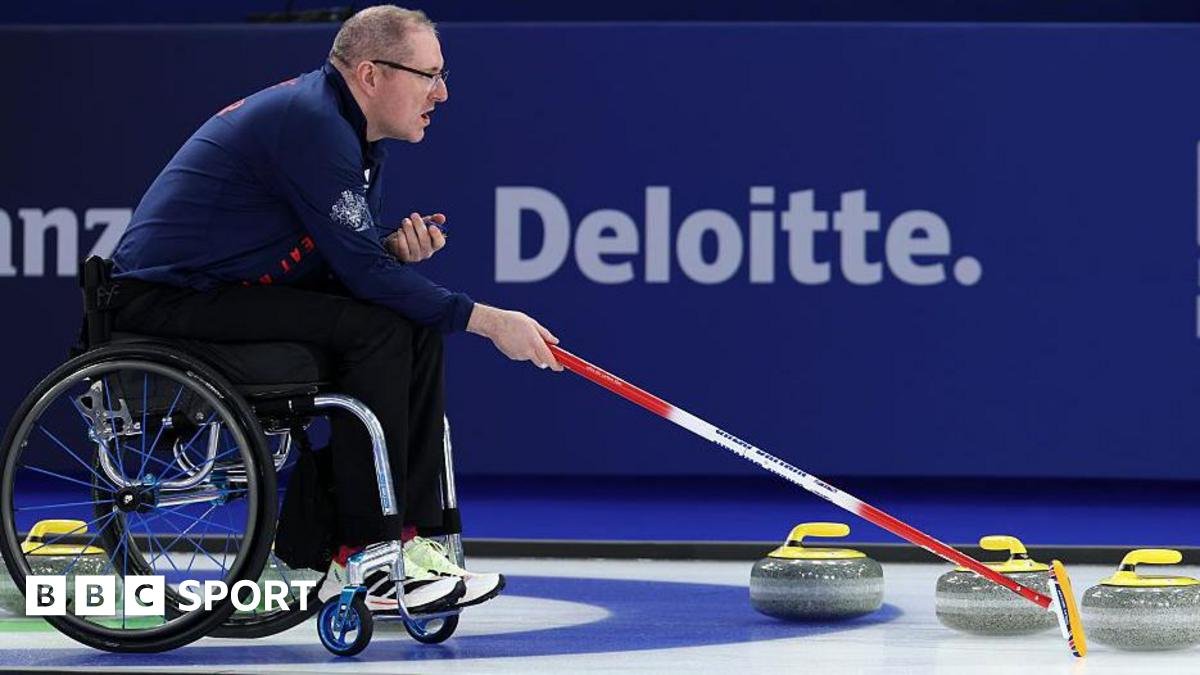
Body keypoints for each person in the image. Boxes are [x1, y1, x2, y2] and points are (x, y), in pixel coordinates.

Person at [108, 5, 562, 614]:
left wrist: (391, 251)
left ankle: (416, 542)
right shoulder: (314, 124)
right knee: (377, 330)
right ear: (371, 74)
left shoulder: (351, 132)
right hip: (166, 299)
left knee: (411, 326)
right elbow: (362, 278)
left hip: (226, 291)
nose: (443, 92)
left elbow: (351, 261)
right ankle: (365, 555)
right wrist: (487, 320)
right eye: (428, 75)